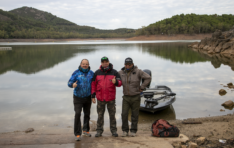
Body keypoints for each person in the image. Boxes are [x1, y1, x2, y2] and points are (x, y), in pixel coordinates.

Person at [118, 57, 151, 137]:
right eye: (126, 64)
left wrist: (142, 87)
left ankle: (133, 130)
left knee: (135, 114)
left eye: (129, 64)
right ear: (124, 64)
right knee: (124, 114)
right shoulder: (121, 72)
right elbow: (112, 76)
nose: (128, 66)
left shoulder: (138, 71)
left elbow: (148, 78)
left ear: (132, 64)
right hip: (125, 97)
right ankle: (125, 131)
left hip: (136, 96)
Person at [91, 56, 122, 137]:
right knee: (100, 116)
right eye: (103, 62)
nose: (105, 63)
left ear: (108, 62)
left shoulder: (114, 72)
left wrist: (115, 82)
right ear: (101, 63)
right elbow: (93, 85)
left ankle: (114, 131)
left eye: (106, 62)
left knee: (112, 115)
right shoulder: (97, 73)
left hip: (111, 98)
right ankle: (99, 131)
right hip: (100, 98)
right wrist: (93, 95)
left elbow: (120, 83)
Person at [67, 59, 94, 141]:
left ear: (88, 64)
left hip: (88, 97)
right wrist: (72, 85)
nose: (85, 65)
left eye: (86, 64)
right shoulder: (76, 73)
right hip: (78, 97)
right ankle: (77, 133)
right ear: (80, 64)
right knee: (78, 114)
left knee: (87, 114)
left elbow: (94, 85)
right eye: (83, 64)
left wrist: (93, 96)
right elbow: (69, 82)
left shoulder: (91, 73)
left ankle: (86, 130)